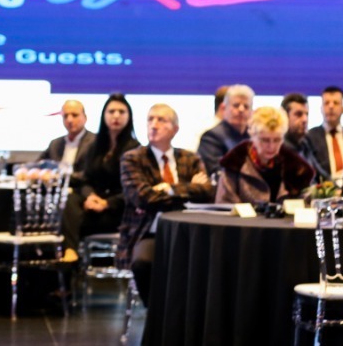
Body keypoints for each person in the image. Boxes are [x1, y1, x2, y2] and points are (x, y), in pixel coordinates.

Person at [119, 104, 212, 305]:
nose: (154, 125)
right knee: (143, 263)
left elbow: (207, 192)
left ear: (175, 129)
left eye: (161, 120)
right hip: (148, 232)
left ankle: (189, 312)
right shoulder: (132, 158)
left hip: (189, 233)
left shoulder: (190, 158)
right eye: (150, 119)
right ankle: (155, 312)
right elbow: (143, 198)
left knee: (210, 263)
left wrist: (169, 189)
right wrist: (188, 190)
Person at [60, 94, 139, 262]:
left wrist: (106, 203)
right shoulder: (95, 146)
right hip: (93, 204)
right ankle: (70, 252)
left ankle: (72, 258)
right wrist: (90, 196)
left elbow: (134, 190)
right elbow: (86, 180)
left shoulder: (135, 150)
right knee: (69, 199)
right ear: (104, 115)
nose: (116, 116)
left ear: (129, 116)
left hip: (118, 210)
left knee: (72, 221)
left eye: (121, 112)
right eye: (111, 111)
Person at [215, 106, 315, 204]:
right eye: (265, 140)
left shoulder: (295, 167)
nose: (271, 146)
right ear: (252, 136)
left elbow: (304, 204)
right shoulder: (234, 163)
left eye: (277, 140)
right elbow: (224, 205)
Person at [302, 86, 343, 183]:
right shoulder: (310, 137)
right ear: (321, 108)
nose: (331, 106)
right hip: (323, 188)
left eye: (336, 103)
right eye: (326, 103)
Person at [197, 84, 253, 174]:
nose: (241, 109)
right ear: (223, 108)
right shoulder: (211, 138)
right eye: (236, 105)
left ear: (252, 112)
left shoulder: (255, 137)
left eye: (246, 106)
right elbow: (216, 171)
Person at [40, 99, 95, 183]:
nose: (69, 120)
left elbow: (90, 174)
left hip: (80, 188)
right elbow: (39, 164)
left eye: (74, 115)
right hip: (55, 188)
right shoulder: (55, 144)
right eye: (65, 116)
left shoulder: (95, 142)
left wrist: (58, 177)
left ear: (85, 118)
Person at [281, 92, 323, 175]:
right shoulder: (278, 149)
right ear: (284, 116)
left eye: (306, 114)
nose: (305, 119)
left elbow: (321, 174)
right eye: (298, 114)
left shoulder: (305, 143)